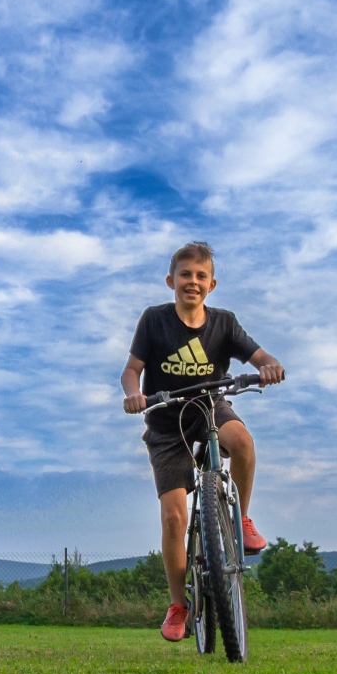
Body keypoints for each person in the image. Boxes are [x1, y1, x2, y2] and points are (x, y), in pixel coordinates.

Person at [121, 240, 284, 643]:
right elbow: (132, 369)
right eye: (185, 275)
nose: (192, 282)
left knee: (242, 442)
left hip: (209, 406)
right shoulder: (154, 320)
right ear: (170, 281)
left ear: (212, 285)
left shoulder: (224, 323)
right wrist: (133, 394)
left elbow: (258, 355)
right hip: (165, 419)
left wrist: (269, 366)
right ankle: (179, 604)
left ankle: (239, 520)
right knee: (174, 516)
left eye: (200, 276)